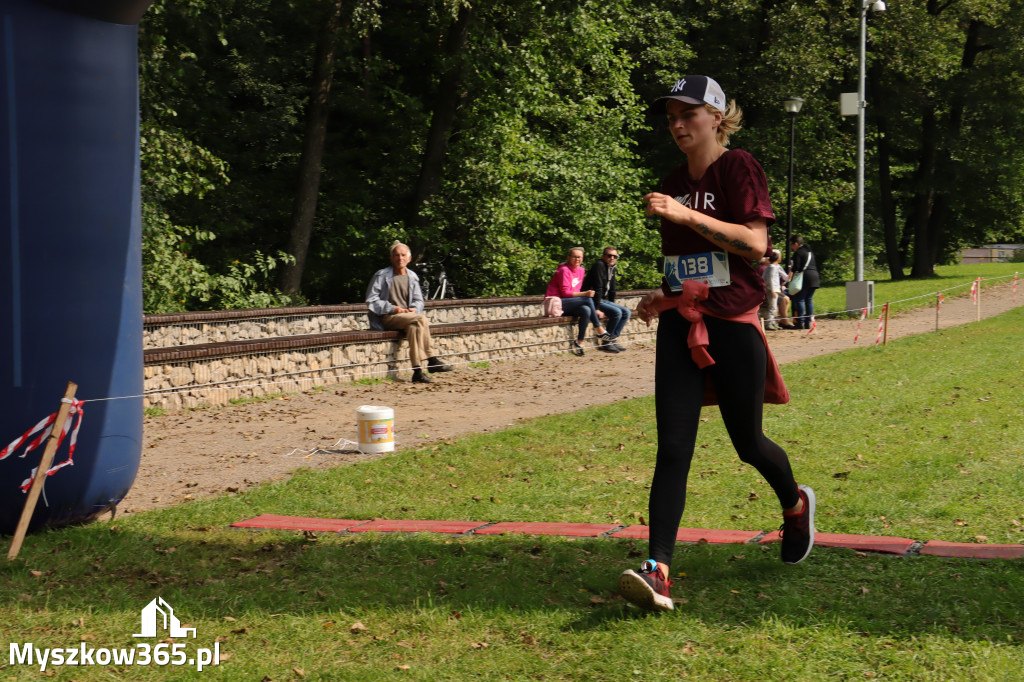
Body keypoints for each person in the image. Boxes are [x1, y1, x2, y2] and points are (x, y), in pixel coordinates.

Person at [616, 75, 816, 612]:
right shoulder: (672, 178)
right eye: (672, 118)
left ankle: (795, 506)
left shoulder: (738, 167)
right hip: (682, 325)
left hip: (733, 326)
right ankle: (658, 569)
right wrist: (662, 299)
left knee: (748, 444)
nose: (678, 126)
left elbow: (753, 245)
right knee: (673, 448)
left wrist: (684, 213)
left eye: (689, 115)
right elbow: (689, 267)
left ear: (717, 117)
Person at [365, 241, 454, 383]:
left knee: (414, 328)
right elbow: (371, 300)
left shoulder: (412, 276)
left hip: (408, 317)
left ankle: (417, 372)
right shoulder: (381, 275)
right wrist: (392, 308)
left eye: (403, 255)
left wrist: (414, 308)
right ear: (391, 259)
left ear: (409, 258)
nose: (400, 258)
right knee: (421, 319)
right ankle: (431, 359)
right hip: (388, 317)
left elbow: (419, 301)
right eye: (396, 255)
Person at [545, 247, 609, 356]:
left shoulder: (581, 270)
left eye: (579, 257)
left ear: (582, 259)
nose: (577, 259)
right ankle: (599, 329)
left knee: (586, 310)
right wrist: (585, 294)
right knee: (587, 299)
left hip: (569, 302)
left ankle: (579, 342)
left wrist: (583, 295)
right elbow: (565, 293)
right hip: (557, 303)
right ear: (568, 257)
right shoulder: (564, 270)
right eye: (574, 256)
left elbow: (576, 290)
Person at [582, 247, 631, 352]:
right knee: (617, 312)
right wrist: (596, 309)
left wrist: (611, 304)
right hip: (591, 300)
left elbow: (612, 289)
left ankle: (612, 339)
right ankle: (606, 343)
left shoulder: (612, 267)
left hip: (603, 300)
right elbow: (598, 287)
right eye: (609, 255)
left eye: (615, 256)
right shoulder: (599, 265)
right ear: (603, 256)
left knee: (626, 312)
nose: (612, 258)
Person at [788, 235, 819, 330]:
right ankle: (807, 323)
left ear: (796, 244)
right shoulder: (810, 252)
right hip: (814, 276)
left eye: (791, 245)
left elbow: (797, 267)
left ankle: (800, 323)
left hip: (805, 277)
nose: (791, 247)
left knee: (800, 300)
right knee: (809, 300)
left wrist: (792, 270)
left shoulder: (798, 253)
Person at [762, 249, 789, 331]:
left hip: (776, 290)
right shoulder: (772, 268)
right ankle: (769, 324)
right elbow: (770, 280)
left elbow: (786, 278)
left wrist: (791, 271)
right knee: (772, 307)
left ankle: (773, 322)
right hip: (771, 290)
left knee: (774, 307)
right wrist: (773, 291)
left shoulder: (775, 267)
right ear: (778, 259)